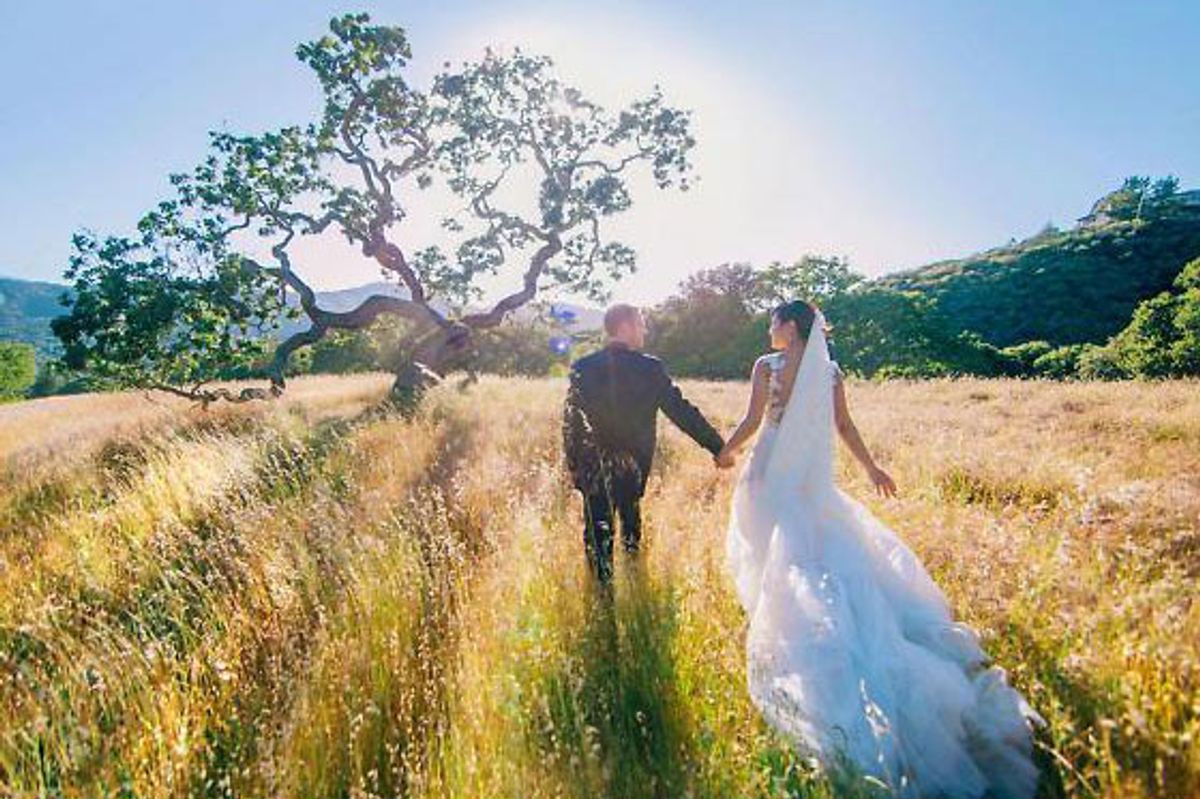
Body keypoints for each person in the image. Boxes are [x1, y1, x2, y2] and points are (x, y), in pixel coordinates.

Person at [718, 300, 1043, 799]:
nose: (768, 329)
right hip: (809, 483)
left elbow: (753, 419)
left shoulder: (770, 366)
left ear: (789, 326)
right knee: (814, 559)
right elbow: (843, 427)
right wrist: (872, 469)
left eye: (773, 321)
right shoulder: (830, 371)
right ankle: (795, 624)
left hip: (770, 477)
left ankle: (783, 632)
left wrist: (726, 449)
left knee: (773, 556)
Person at [563, 304, 725, 583]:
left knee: (596, 536)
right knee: (630, 531)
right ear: (625, 327)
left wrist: (574, 466)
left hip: (593, 465)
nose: (645, 330)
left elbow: (570, 422)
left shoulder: (583, 367)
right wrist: (718, 447)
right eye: (641, 324)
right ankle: (635, 588)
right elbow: (680, 411)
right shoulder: (649, 368)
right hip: (633, 465)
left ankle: (604, 604)